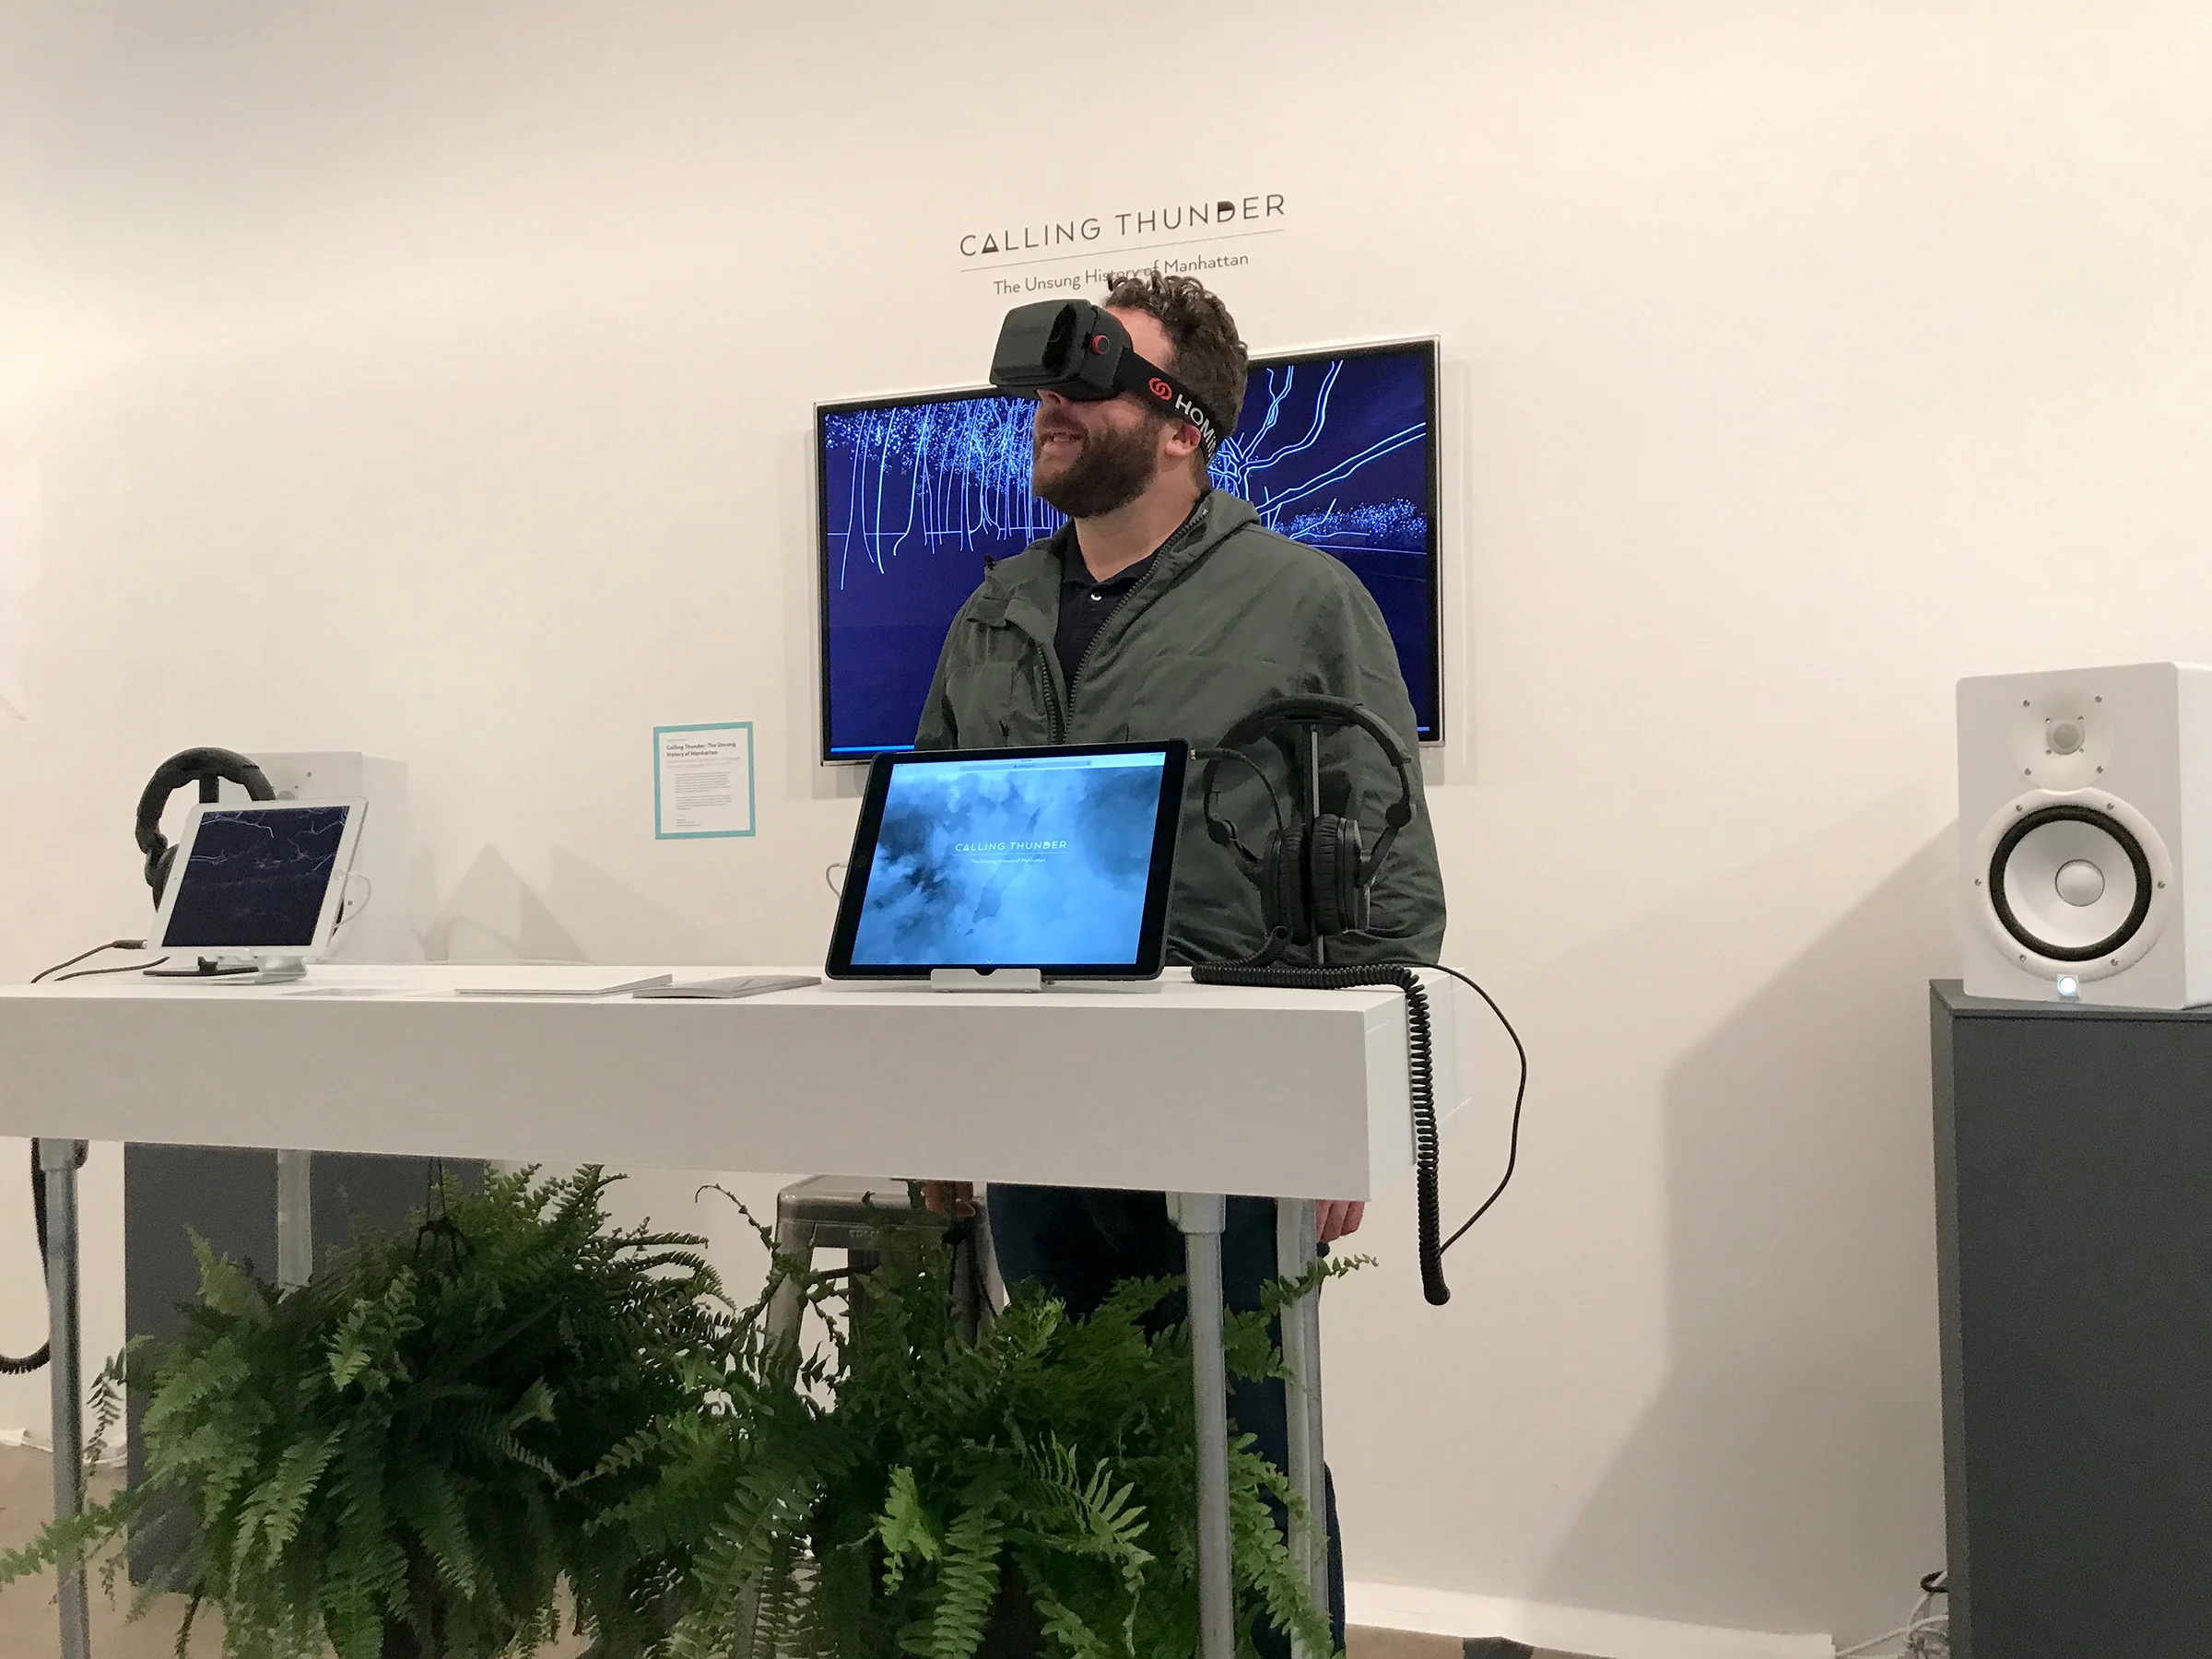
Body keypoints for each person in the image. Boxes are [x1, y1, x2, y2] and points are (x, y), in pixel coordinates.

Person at [917, 270, 1447, 1654]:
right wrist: (938, 1096)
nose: (1051, 405)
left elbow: (1392, 871)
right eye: (1045, 384)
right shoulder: (993, 618)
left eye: (1089, 378)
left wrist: (1347, 1104)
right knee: (1063, 1455)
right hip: (1037, 1108)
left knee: (1251, 1446)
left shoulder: (1303, 602)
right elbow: (934, 867)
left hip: (1233, 1098)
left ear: (1179, 423)